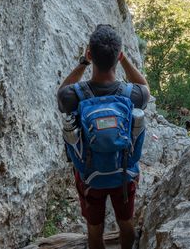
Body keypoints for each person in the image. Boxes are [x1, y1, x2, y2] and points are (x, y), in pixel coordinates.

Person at [56, 24, 150, 249]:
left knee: (94, 229)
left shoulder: (74, 96)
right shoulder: (132, 94)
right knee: (126, 223)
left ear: (90, 54)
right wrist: (123, 59)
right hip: (123, 173)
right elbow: (144, 86)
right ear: (118, 56)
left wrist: (83, 62)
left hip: (90, 176)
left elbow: (61, 93)